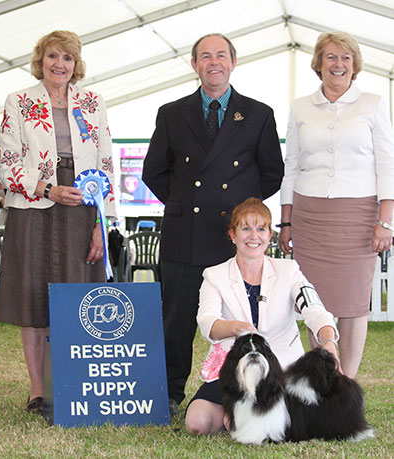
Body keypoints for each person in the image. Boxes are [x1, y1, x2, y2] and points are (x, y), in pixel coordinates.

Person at [142, 33, 284, 415]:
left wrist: (241, 214)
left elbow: (272, 174)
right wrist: (183, 203)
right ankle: (170, 394)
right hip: (184, 234)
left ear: (233, 63)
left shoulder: (258, 114)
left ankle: (243, 393)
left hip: (234, 240)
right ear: (195, 65)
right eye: (205, 56)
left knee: (240, 321)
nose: (214, 62)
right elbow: (153, 171)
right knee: (177, 320)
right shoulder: (172, 112)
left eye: (221, 55)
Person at [0, 30, 116, 414]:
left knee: (77, 298)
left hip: (83, 206)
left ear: (75, 64)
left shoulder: (93, 102)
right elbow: (9, 162)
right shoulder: (19, 101)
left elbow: (105, 161)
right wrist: (48, 189)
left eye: (66, 57)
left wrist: (103, 222)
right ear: (40, 60)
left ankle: (72, 382)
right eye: (51, 56)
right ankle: (37, 390)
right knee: (33, 296)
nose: (59, 64)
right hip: (33, 205)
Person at [278, 32, 394, 379]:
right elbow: (292, 166)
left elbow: (387, 164)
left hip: (358, 215)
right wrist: (286, 223)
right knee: (316, 301)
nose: (338, 64)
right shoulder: (300, 106)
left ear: (354, 64)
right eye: (330, 57)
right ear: (319, 64)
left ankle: (348, 382)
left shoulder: (373, 103)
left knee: (354, 304)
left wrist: (385, 221)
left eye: (345, 57)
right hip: (310, 216)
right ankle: (323, 379)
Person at [185, 198, 339, 435]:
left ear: (269, 236)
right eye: (245, 228)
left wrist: (328, 341)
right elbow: (208, 324)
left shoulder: (289, 271)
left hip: (281, 372)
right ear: (233, 235)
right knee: (197, 423)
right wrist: (239, 328)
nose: (253, 236)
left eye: (260, 229)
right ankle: (237, 413)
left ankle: (248, 417)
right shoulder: (214, 276)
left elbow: (314, 309)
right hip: (236, 372)